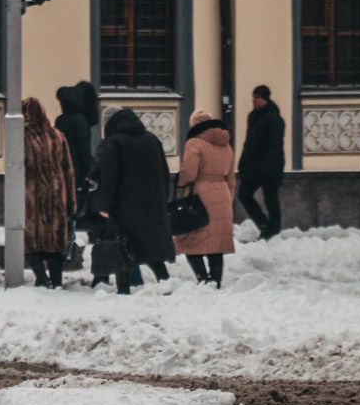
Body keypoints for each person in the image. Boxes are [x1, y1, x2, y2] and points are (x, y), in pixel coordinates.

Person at [95, 107, 176, 294]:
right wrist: (164, 198)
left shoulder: (114, 143)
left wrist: (104, 205)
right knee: (152, 248)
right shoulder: (151, 139)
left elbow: (110, 178)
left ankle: (123, 290)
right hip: (152, 205)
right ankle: (165, 282)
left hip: (125, 206)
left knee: (123, 247)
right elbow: (164, 172)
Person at [175, 110, 235, 287]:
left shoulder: (194, 143)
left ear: (194, 125)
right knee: (216, 244)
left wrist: (179, 182)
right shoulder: (226, 145)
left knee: (191, 241)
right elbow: (231, 178)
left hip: (200, 196)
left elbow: (189, 173)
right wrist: (228, 198)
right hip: (222, 193)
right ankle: (215, 281)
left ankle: (203, 279)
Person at [24, 97, 76, 288]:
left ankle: (41, 277)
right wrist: (71, 202)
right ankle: (56, 281)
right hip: (57, 194)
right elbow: (68, 170)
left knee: (30, 240)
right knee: (56, 241)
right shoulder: (57, 136)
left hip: (32, 195)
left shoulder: (22, 137)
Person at [237, 85, 285, 240]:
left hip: (269, 166)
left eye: (256, 97)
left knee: (271, 199)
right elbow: (248, 143)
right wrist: (243, 163)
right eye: (253, 97)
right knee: (244, 194)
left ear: (265, 99)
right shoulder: (253, 117)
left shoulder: (275, 119)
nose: (253, 100)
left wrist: (270, 168)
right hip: (253, 165)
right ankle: (264, 224)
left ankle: (273, 231)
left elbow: (275, 146)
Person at [54, 81, 99, 192]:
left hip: (63, 168)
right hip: (77, 172)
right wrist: (92, 172)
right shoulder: (80, 121)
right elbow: (83, 149)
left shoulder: (60, 119)